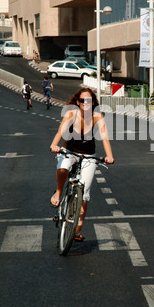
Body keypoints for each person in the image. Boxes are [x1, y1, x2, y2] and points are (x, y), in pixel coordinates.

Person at [50, 87, 114, 241]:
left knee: (84, 194)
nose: (86, 103)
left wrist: (109, 156)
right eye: (83, 100)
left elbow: (105, 138)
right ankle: (59, 192)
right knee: (63, 168)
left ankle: (77, 230)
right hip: (69, 150)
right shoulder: (71, 114)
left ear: (93, 103)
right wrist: (54, 145)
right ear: (78, 102)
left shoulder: (97, 116)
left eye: (89, 100)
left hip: (89, 155)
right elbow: (60, 132)